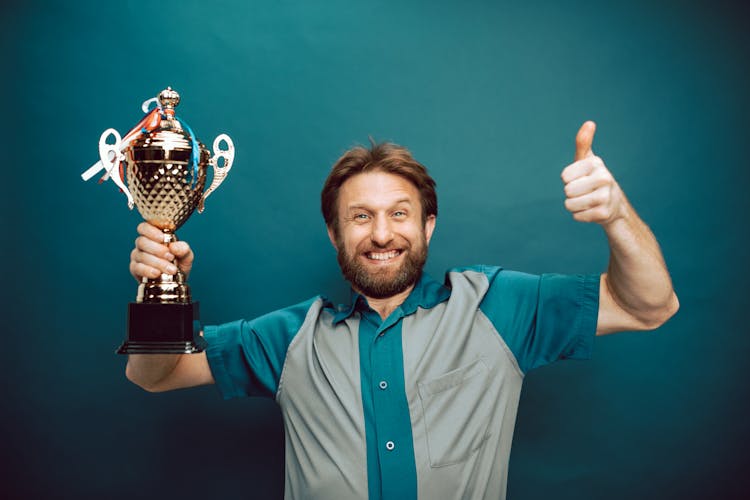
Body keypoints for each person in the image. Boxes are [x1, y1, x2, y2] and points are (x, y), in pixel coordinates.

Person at [126, 121, 678, 500]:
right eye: (361, 217)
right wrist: (160, 287)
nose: (383, 233)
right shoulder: (291, 337)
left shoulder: (497, 307)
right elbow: (156, 374)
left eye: (400, 213)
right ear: (334, 233)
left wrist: (616, 216)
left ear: (427, 225)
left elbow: (650, 306)